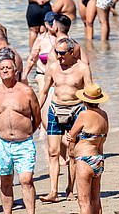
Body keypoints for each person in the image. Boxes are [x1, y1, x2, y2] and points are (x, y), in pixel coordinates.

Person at [0, 52, 43, 214]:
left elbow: (37, 117)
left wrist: (25, 132)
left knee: (26, 180)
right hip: (1, 143)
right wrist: (0, 134)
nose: (4, 70)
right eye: (1, 68)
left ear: (16, 71)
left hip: (24, 142)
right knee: (5, 181)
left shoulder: (26, 91)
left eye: (8, 68)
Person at [39, 38, 91, 202]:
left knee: (72, 152)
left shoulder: (83, 68)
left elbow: (90, 90)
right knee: (53, 152)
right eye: (56, 53)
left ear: (71, 52)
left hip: (76, 110)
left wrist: (92, 114)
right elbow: (44, 91)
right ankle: (53, 191)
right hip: (55, 109)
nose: (59, 56)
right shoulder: (53, 67)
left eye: (62, 53)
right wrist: (35, 111)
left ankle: (70, 189)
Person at [65, 84, 109, 214]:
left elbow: (72, 135)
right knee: (96, 200)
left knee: (84, 201)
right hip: (98, 158)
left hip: (84, 159)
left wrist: (69, 144)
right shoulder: (104, 115)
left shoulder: (84, 114)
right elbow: (103, 139)